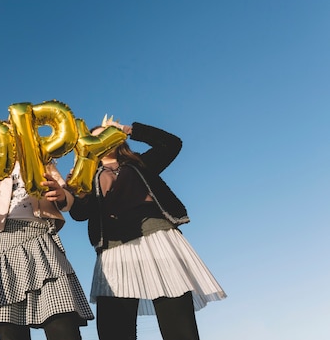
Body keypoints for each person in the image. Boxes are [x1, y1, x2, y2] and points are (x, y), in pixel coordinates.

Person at [68, 118, 226, 340]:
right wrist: (76, 191)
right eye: (95, 137)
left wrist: (126, 129)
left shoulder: (140, 164)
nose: (101, 140)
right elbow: (79, 214)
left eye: (107, 134)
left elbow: (171, 144)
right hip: (114, 250)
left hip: (159, 241)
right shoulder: (87, 177)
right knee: (115, 331)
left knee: (179, 329)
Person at [0, 159, 94, 340]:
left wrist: (62, 195)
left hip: (40, 239)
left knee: (62, 321)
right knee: (11, 331)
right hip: (2, 246)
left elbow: (65, 197)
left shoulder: (42, 160)